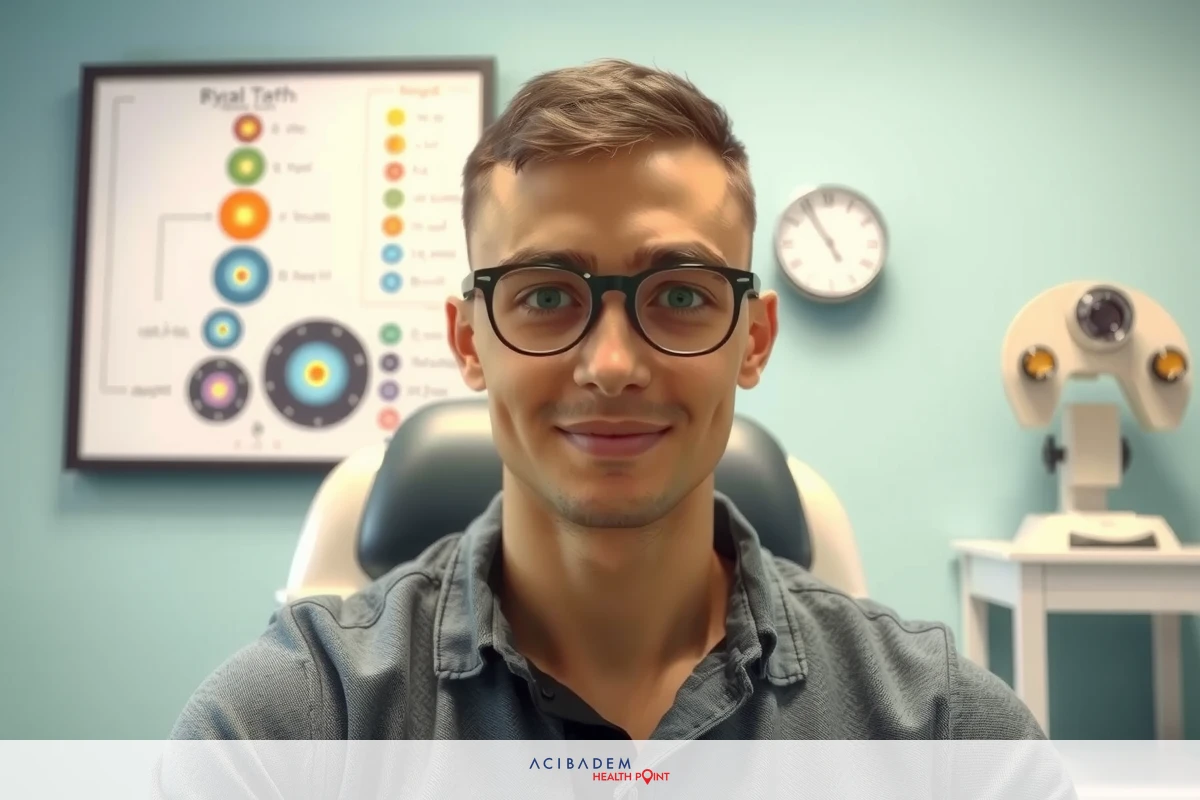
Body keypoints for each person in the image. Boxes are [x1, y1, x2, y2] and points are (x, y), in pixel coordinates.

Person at [170, 58, 1045, 742]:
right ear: (470, 341)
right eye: (547, 296)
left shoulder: (944, 730)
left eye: (682, 293)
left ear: (756, 338)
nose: (614, 364)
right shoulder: (291, 723)